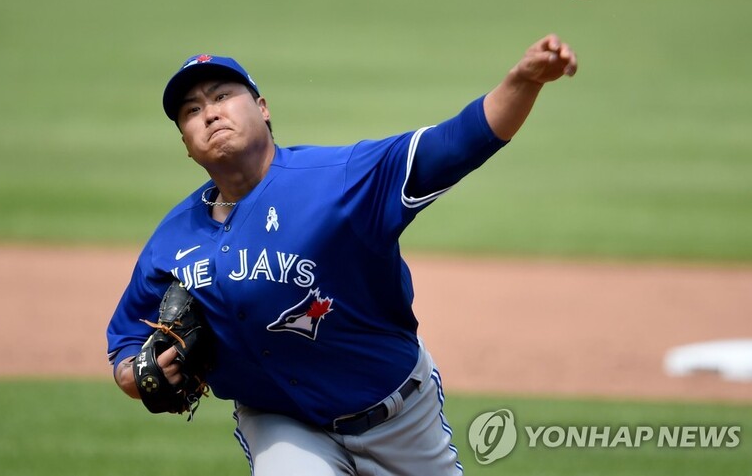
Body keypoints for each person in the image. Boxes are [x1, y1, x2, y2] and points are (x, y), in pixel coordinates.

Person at [107, 34, 577, 475]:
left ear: (263, 108)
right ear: (186, 145)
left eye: (222, 96)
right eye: (192, 110)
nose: (209, 113)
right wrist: (138, 375)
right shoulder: (171, 239)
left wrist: (523, 80)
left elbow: (455, 144)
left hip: (400, 415)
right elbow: (127, 344)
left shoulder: (339, 179)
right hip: (280, 422)